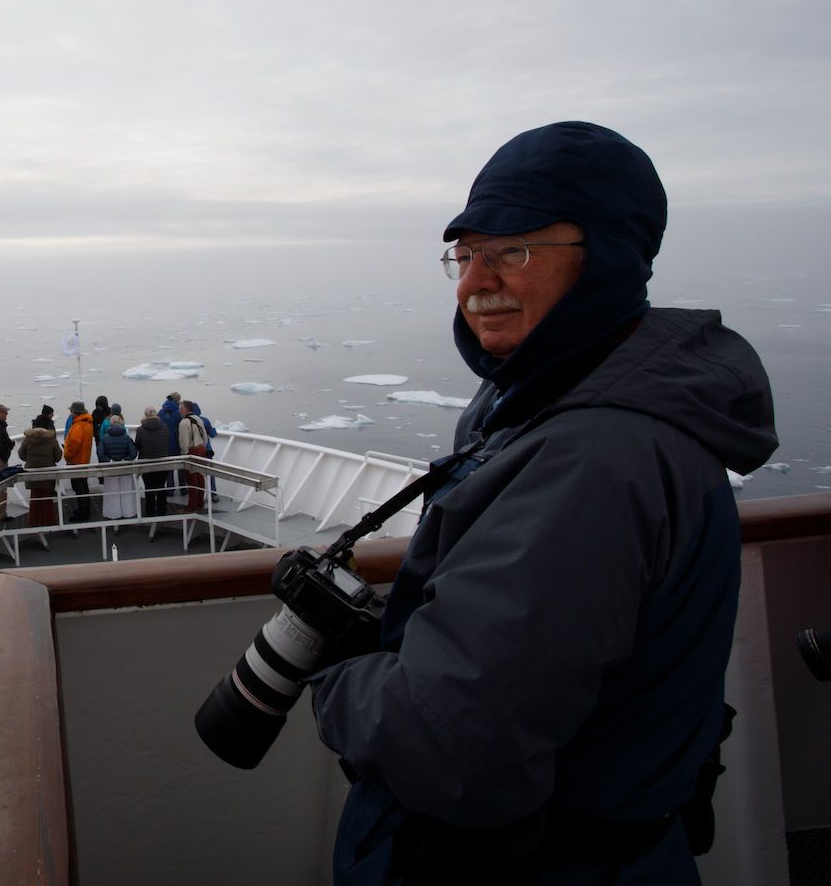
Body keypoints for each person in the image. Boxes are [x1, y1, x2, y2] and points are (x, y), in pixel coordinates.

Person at [305, 122, 777, 884]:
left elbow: (454, 751)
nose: (473, 282)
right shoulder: (551, 406)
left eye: (512, 251)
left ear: (607, 257)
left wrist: (340, 672)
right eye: (465, 254)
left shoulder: (593, 458)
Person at [18, 421, 62, 527]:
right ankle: (49, 522)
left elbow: (21, 455)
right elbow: (58, 457)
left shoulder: (28, 439)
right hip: (48, 474)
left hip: (32, 474)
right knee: (47, 498)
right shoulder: (51, 439)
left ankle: (34, 522)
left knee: (35, 498)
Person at [97, 413, 138, 520]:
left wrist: (110, 461)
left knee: (112, 492)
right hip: (125, 469)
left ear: (110, 424)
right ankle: (128, 513)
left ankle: (113, 514)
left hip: (111, 469)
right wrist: (124, 460)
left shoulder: (105, 438)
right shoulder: (126, 437)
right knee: (127, 491)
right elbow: (133, 453)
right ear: (121, 424)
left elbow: (100, 453)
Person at [134, 406, 172, 517]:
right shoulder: (164, 427)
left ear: (145, 415)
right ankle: (162, 511)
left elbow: (137, 446)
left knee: (149, 488)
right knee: (161, 486)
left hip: (146, 464)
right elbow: (167, 442)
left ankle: (149, 512)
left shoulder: (140, 430)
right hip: (163, 463)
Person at [62, 401, 96, 522]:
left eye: (71, 411)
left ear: (74, 412)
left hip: (76, 463)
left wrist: (66, 454)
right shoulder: (88, 424)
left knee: (78, 487)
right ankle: (85, 509)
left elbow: (74, 444)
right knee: (83, 486)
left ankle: (82, 513)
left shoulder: (78, 426)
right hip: (84, 461)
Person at [177, 400, 209, 512]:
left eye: (181, 408)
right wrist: (202, 446)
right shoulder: (198, 419)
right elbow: (205, 437)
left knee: (192, 480)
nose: (180, 410)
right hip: (201, 450)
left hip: (191, 452)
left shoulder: (184, 423)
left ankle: (191, 507)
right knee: (200, 478)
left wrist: (185, 454)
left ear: (185, 409)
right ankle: (200, 504)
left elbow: (183, 442)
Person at [157, 392, 184, 498]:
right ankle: (183, 489)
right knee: (181, 465)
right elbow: (183, 427)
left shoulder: (161, 412)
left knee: (169, 467)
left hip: (165, 444)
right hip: (177, 443)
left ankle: (170, 489)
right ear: (177, 400)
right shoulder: (178, 413)